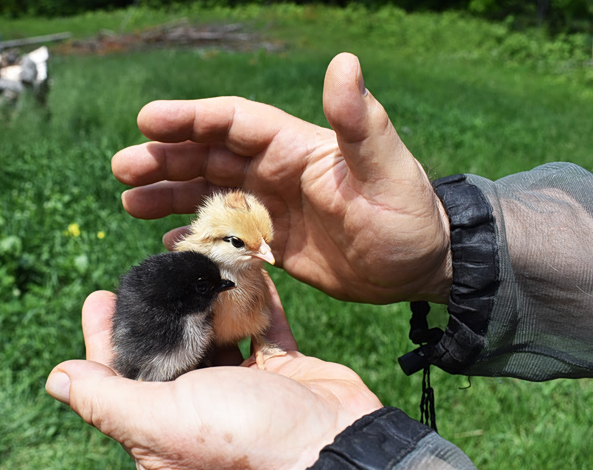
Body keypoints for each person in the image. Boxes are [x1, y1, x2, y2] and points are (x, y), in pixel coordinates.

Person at [45, 53, 593, 468]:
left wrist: (318, 447)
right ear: (209, 241)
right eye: (245, 246)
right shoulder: (201, 273)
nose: (267, 255)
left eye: (263, 243)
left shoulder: (241, 284)